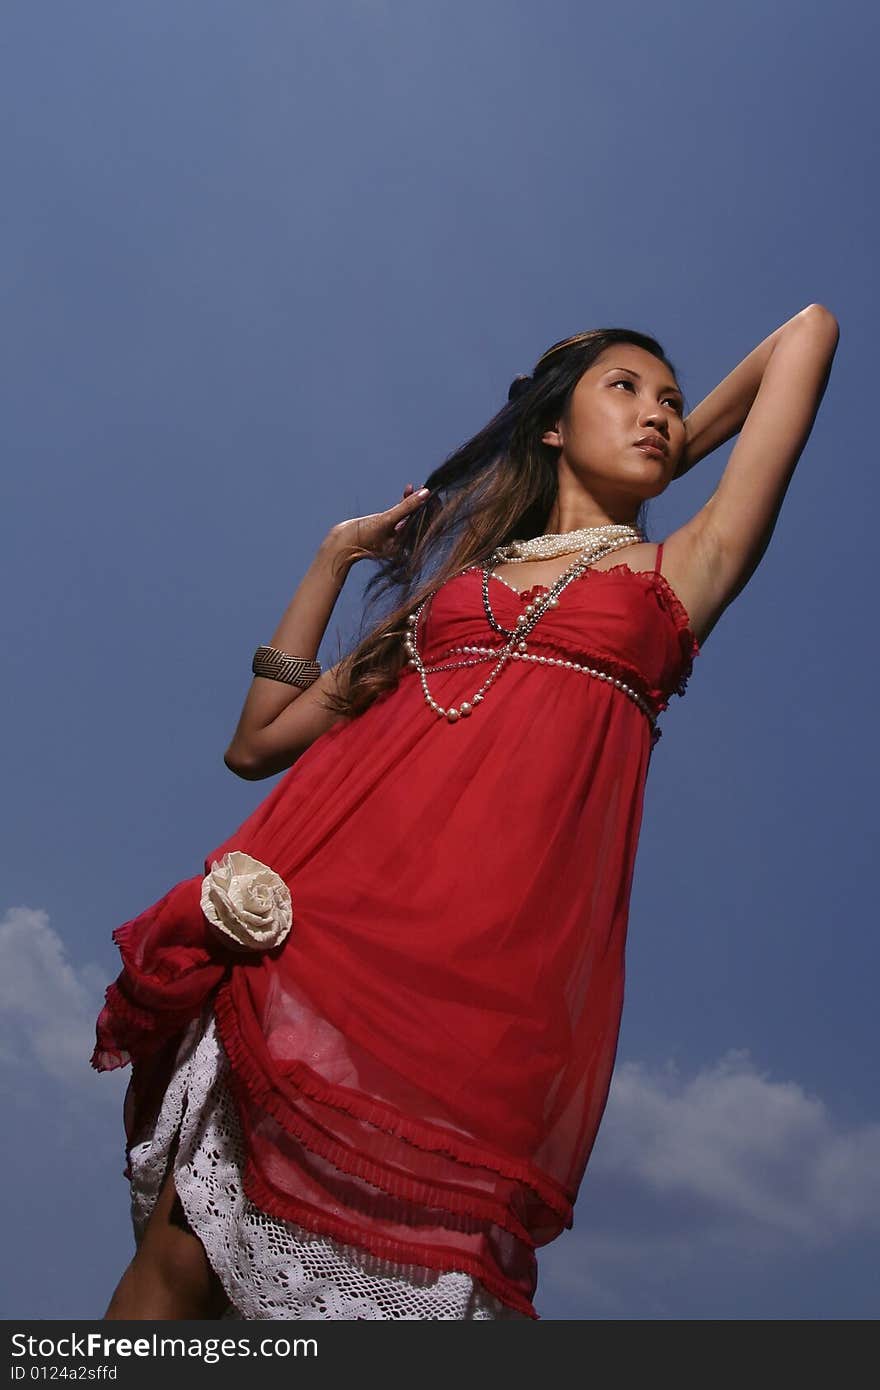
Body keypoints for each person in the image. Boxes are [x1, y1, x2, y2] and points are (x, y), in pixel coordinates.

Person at [92, 308, 839, 1321]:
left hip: (480, 987)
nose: (657, 412)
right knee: (184, 1266)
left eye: (669, 400)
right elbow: (258, 741)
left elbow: (809, 334)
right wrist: (331, 560)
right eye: (625, 388)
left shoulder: (680, 575)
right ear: (550, 424)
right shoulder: (455, 594)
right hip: (330, 927)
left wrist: (657, 458)